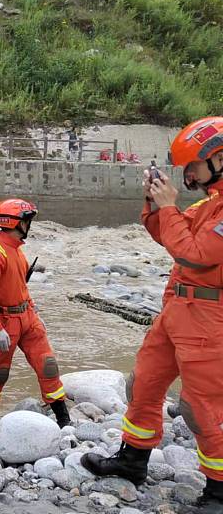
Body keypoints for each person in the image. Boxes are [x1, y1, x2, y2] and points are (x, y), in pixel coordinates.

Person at [82, 117, 223, 510]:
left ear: (219, 157)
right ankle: (132, 461)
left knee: (202, 407)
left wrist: (169, 206)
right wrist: (154, 203)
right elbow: (168, 233)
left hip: (209, 318)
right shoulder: (211, 204)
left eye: (192, 165)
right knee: (142, 384)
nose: (188, 173)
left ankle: (219, 490)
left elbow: (193, 256)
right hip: (177, 309)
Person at [0, 198, 69, 431]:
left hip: (28, 318)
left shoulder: (17, 252)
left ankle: (64, 420)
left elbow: (21, 287)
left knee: (48, 366)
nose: (30, 225)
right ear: (15, 222)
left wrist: (33, 308)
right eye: (27, 220)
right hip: (5, 322)